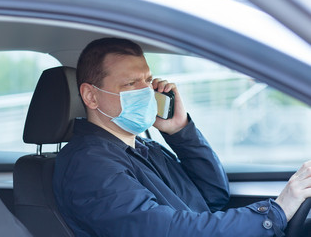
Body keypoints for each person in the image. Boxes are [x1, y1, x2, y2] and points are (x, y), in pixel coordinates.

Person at [53, 37, 311, 237]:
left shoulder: (144, 148)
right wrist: (275, 212)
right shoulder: (88, 165)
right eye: (131, 84)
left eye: (148, 79)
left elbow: (213, 196)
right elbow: (167, 231)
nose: (146, 91)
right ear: (91, 96)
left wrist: (180, 131)